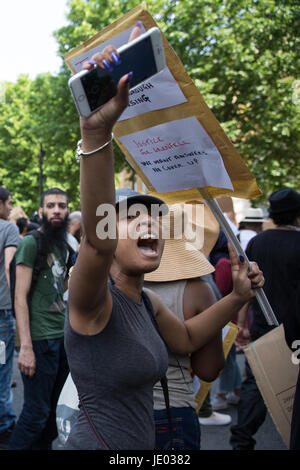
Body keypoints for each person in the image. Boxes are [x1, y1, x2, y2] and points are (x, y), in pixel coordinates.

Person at [63, 27, 264, 451]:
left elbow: (190, 341)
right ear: (107, 232)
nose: (149, 223)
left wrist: (237, 297)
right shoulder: (93, 301)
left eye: (155, 216)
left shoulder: (147, 302)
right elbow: (96, 244)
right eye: (132, 218)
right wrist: (97, 135)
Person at [144, 202, 227, 449]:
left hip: (119, 414)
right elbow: (208, 369)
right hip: (172, 410)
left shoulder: (118, 285)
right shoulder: (199, 292)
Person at [230, 187, 300, 450]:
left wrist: (241, 322)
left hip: (264, 326)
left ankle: (241, 437)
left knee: (257, 382)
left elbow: (249, 289)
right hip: (294, 329)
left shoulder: (257, 242)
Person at [8, 188, 71, 450]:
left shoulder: (63, 245)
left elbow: (63, 289)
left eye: (62, 206)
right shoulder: (30, 243)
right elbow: (19, 298)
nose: (57, 210)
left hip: (62, 339)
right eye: (51, 205)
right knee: (36, 415)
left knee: (52, 417)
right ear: (42, 210)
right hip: (40, 340)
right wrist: (26, 348)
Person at [0, 187, 20, 449]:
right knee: (3, 374)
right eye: (9, 203)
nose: (10, 207)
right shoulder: (8, 229)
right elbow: (10, 267)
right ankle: (4, 427)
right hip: (2, 312)